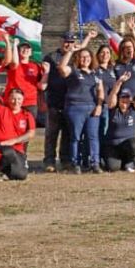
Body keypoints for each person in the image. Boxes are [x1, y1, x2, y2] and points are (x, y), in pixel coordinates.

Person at [55, 34, 103, 173]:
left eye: (87, 57)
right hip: (75, 107)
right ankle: (75, 163)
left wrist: (99, 105)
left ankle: (95, 163)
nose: (85, 59)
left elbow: (100, 90)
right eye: (82, 57)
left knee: (93, 137)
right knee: (75, 137)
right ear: (78, 58)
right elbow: (62, 68)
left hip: (92, 108)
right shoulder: (73, 71)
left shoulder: (95, 73)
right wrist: (70, 51)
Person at [0, 86, 36, 181]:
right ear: (8, 99)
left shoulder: (27, 114)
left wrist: (14, 141)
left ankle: (4, 171)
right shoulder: (0, 109)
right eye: (13, 99)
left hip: (17, 149)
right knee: (8, 152)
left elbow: (31, 133)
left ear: (23, 100)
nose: (16, 101)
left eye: (19, 99)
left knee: (21, 175)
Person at [41, 34, 74, 172]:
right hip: (54, 100)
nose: (69, 44)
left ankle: (65, 160)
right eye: (66, 41)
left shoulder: (76, 57)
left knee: (67, 133)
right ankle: (49, 160)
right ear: (61, 42)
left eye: (71, 42)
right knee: (52, 133)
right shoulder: (51, 57)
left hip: (70, 101)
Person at [102, 84, 135, 172]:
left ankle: (128, 162)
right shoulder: (113, 108)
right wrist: (119, 82)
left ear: (131, 99)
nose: (125, 99)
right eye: (122, 97)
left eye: (127, 97)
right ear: (118, 99)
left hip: (127, 144)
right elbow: (113, 95)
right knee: (113, 168)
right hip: (112, 145)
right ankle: (131, 162)